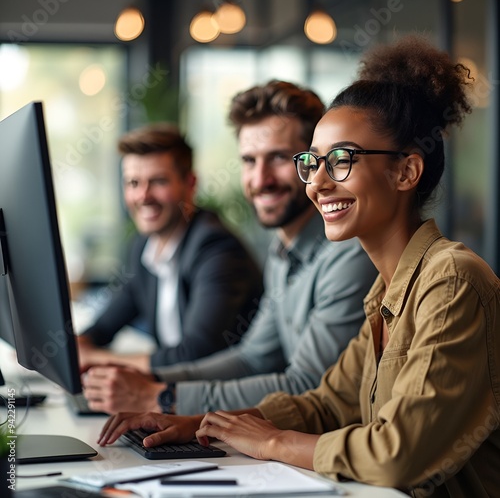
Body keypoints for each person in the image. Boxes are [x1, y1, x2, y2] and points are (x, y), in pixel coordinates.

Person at [98, 38, 500, 497]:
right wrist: (202, 423)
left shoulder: (451, 281)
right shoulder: (387, 292)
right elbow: (326, 403)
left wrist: (271, 440)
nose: (319, 183)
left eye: (342, 160)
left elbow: (398, 454)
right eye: (312, 163)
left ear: (406, 172)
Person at [82, 80, 377, 415]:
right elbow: (252, 359)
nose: (261, 178)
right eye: (249, 161)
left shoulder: (349, 251)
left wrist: (161, 397)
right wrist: (150, 384)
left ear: (312, 161)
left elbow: (309, 385)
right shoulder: (282, 253)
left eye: (278, 157)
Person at [77, 124, 263, 373]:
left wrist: (95, 359)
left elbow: (196, 354)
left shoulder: (216, 249)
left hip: (222, 403)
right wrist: (75, 346)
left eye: (158, 181)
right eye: (133, 183)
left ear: (190, 184)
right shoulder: (144, 246)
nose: (143, 196)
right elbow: (104, 327)